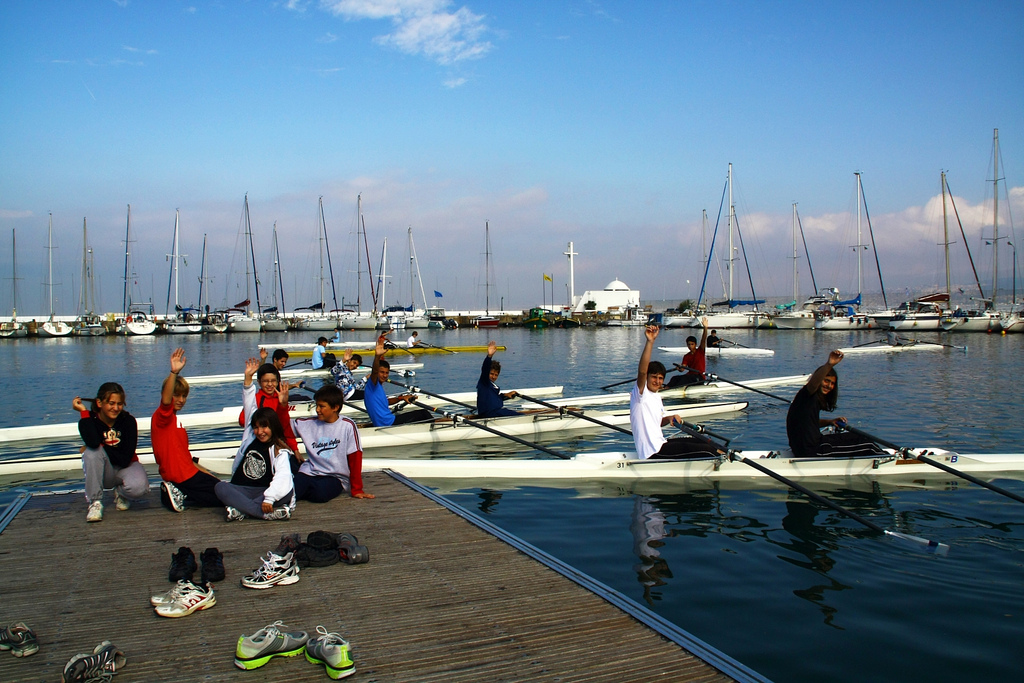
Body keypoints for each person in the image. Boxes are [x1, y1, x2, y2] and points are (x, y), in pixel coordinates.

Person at [215, 358, 295, 521]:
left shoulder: (279, 449)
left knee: (287, 490)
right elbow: (249, 403)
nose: (260, 432)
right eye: (257, 427)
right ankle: (262, 513)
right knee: (220, 487)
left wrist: (269, 498)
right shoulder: (250, 435)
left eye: (265, 427)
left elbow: (283, 476)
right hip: (244, 488)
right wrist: (247, 379)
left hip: (265, 490)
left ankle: (243, 510)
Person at [630, 325, 720, 460]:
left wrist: (669, 418)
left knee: (703, 440)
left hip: (662, 444)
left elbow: (658, 422)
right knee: (706, 450)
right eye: (654, 377)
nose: (657, 381)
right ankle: (726, 460)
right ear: (647, 377)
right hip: (652, 453)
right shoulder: (640, 394)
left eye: (660, 378)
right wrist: (650, 342)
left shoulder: (656, 397)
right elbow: (642, 371)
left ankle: (723, 454)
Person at [152, 349, 225, 513]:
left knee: (220, 493)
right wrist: (173, 372)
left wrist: (210, 475)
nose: (181, 400)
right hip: (184, 477)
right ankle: (179, 491)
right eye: (176, 395)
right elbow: (165, 401)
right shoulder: (162, 417)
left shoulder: (177, 423)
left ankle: (180, 494)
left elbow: (186, 459)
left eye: (184, 396)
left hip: (188, 475)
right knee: (229, 496)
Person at [285, 383, 374, 503]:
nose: (317, 410)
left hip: (335, 476)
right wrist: (282, 405)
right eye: (317, 405)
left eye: (322, 406)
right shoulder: (309, 423)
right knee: (291, 493)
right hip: (310, 471)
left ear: (335, 407)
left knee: (320, 495)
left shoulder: (347, 426)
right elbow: (284, 428)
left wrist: (357, 489)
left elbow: (355, 458)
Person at [785, 350, 882, 458]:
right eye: (826, 381)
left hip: (812, 445)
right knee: (868, 445)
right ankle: (892, 461)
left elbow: (809, 423)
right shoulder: (807, 394)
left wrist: (830, 421)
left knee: (859, 437)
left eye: (832, 384)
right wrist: (829, 364)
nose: (829, 386)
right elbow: (813, 383)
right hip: (812, 451)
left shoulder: (810, 401)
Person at [73, 382, 147, 522]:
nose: (116, 408)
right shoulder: (89, 420)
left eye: (119, 404)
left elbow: (125, 459)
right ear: (100, 403)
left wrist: (102, 446)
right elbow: (93, 443)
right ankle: (95, 502)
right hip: (104, 471)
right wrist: (83, 412)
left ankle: (121, 493)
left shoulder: (128, 421)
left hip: (125, 467)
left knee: (139, 488)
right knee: (91, 452)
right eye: (111, 403)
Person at [364, 334, 434, 426]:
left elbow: (386, 402)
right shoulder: (372, 384)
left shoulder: (378, 388)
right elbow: (374, 371)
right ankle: (434, 429)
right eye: (382, 372)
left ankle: (428, 425)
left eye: (387, 373)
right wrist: (377, 356)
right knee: (424, 413)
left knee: (418, 417)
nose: (385, 375)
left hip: (388, 420)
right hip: (387, 423)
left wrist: (401, 398)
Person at [476, 341, 520, 417]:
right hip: (490, 413)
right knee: (520, 415)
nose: (493, 377)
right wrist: (489, 356)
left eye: (496, 375)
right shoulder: (484, 382)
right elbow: (485, 369)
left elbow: (495, 398)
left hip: (495, 412)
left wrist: (507, 395)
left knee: (513, 412)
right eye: (491, 374)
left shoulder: (492, 386)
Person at [666, 316, 709, 387]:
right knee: (674, 378)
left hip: (700, 377)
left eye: (692, 344)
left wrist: (705, 328)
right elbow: (683, 368)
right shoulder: (686, 356)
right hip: (690, 376)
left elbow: (703, 340)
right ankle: (665, 388)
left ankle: (673, 390)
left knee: (685, 379)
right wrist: (679, 368)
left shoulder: (700, 351)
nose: (690, 346)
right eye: (689, 344)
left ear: (695, 344)